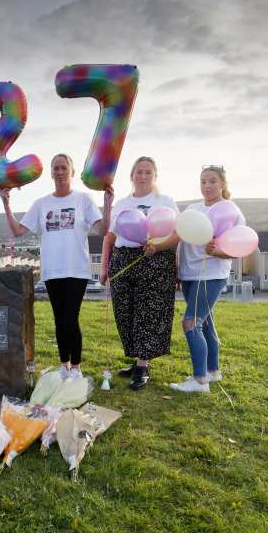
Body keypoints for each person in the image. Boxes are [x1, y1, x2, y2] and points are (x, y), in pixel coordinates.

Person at [1, 154, 113, 379]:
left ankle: (77, 367)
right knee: (59, 319)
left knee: (70, 318)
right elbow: (17, 231)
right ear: (51, 173)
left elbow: (102, 230)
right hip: (52, 271)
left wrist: (108, 205)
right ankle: (64, 364)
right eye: (56, 168)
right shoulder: (42, 204)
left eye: (64, 168)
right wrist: (6, 203)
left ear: (72, 173)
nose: (60, 172)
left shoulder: (83, 200)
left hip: (76, 270)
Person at [99, 157, 179, 390]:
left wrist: (158, 247)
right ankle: (136, 360)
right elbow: (109, 237)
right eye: (139, 172)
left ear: (155, 176)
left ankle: (143, 366)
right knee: (125, 313)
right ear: (132, 175)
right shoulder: (122, 203)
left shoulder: (165, 201)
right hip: (123, 260)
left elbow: (177, 233)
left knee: (148, 313)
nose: (143, 176)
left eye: (148, 172)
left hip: (154, 259)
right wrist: (104, 267)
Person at [170, 165, 243, 393]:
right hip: (189, 274)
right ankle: (213, 371)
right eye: (203, 181)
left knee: (190, 323)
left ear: (222, 184)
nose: (207, 186)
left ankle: (200, 381)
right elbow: (180, 236)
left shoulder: (230, 210)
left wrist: (218, 252)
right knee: (206, 323)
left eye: (212, 181)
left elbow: (242, 246)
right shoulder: (193, 208)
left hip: (212, 275)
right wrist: (176, 268)